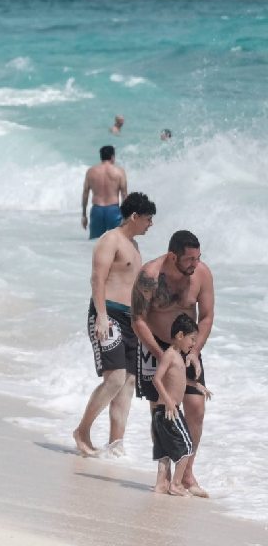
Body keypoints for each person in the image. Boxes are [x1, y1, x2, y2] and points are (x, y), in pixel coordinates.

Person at [71, 191, 156, 457]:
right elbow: (97, 279)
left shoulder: (134, 245)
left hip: (131, 320)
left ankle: (116, 444)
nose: (151, 224)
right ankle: (82, 431)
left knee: (128, 382)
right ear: (134, 216)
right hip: (108, 315)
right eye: (148, 219)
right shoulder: (110, 240)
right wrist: (101, 316)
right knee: (115, 378)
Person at [131, 230, 215, 497]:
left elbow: (206, 316)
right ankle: (164, 476)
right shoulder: (150, 276)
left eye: (198, 258)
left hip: (188, 348)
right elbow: (138, 319)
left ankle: (187, 474)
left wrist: (194, 351)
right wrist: (161, 355)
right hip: (154, 345)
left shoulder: (202, 274)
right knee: (162, 413)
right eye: (189, 259)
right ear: (172, 256)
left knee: (196, 408)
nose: (195, 264)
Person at [148, 313, 206, 497]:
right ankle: (176, 484)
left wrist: (196, 385)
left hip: (162, 411)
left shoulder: (179, 357)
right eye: (192, 339)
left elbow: (178, 379)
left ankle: (160, 485)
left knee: (164, 452)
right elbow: (157, 379)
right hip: (169, 410)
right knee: (187, 447)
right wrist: (169, 402)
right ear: (180, 335)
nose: (193, 344)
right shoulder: (170, 355)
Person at [82, 145, 127, 239]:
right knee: (117, 240)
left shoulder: (91, 171)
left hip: (97, 210)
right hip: (113, 210)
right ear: (112, 157)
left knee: (95, 242)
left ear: (101, 156)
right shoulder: (119, 172)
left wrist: (84, 215)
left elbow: (85, 193)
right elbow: (124, 194)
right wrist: (126, 216)